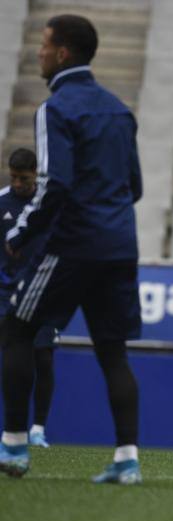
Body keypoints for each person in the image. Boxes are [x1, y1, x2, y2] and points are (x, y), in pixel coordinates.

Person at [0, 15, 144, 484]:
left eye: (43, 46)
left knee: (18, 330)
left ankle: (15, 447)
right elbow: (135, 186)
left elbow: (54, 185)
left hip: (73, 244)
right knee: (113, 351)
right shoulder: (121, 110)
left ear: (62, 53)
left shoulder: (55, 108)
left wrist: (19, 234)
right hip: (120, 244)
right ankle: (127, 459)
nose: (38, 53)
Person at [0, 149, 59, 449]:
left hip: (43, 290)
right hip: (6, 293)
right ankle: (12, 427)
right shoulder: (2, 202)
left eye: (24, 178)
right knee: (12, 356)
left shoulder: (47, 204)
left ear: (36, 174)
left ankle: (38, 428)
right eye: (14, 178)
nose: (18, 184)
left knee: (43, 357)